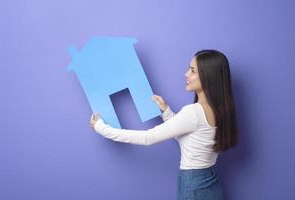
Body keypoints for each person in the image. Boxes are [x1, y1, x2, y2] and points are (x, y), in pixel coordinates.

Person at [90, 50, 238, 200]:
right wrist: (166, 111)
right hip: (211, 180)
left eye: (192, 71)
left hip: (194, 184)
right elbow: (190, 140)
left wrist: (101, 128)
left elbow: (148, 138)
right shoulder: (220, 109)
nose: (186, 74)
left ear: (208, 77)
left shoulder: (193, 112)